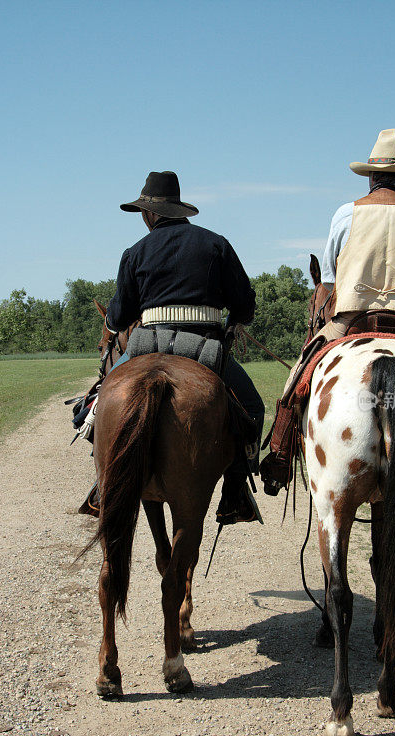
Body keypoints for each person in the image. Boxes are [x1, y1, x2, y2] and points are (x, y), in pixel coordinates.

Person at [260, 129, 395, 501]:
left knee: (298, 377)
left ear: (371, 176)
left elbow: (328, 277)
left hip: (351, 320)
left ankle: (279, 455)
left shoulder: (347, 213)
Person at [93, 170, 265, 524]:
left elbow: (120, 313)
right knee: (251, 407)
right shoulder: (215, 244)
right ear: (178, 210)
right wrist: (233, 321)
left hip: (145, 345)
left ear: (149, 214)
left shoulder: (134, 252)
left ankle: (101, 482)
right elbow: (245, 304)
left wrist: (111, 323)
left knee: (97, 405)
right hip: (205, 348)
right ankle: (235, 491)